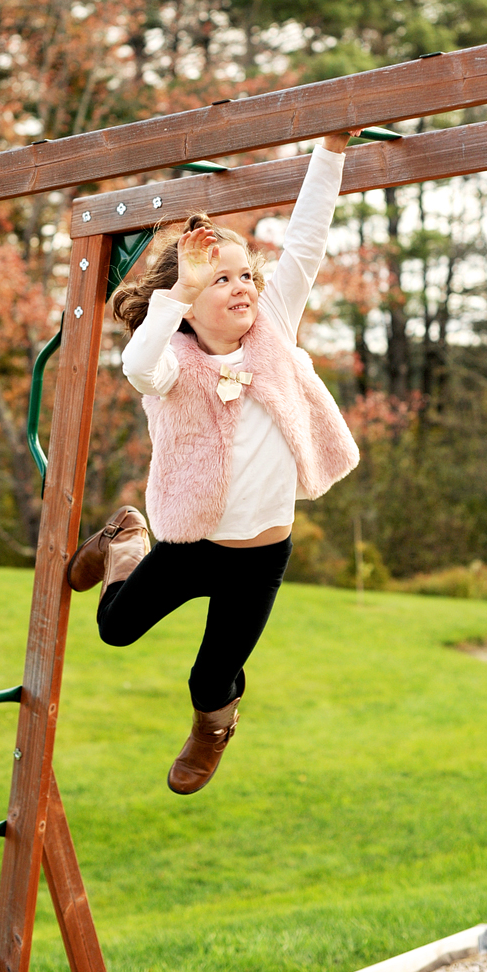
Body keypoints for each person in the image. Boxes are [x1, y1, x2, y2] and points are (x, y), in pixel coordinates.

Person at [67, 129, 362, 794]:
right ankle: (125, 542)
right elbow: (136, 363)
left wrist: (333, 149)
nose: (240, 286)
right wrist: (175, 291)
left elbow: (308, 240)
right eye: (217, 278)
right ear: (187, 301)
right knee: (115, 628)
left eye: (243, 275)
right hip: (191, 542)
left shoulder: (275, 329)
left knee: (210, 678)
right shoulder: (171, 360)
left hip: (259, 556)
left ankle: (213, 730)